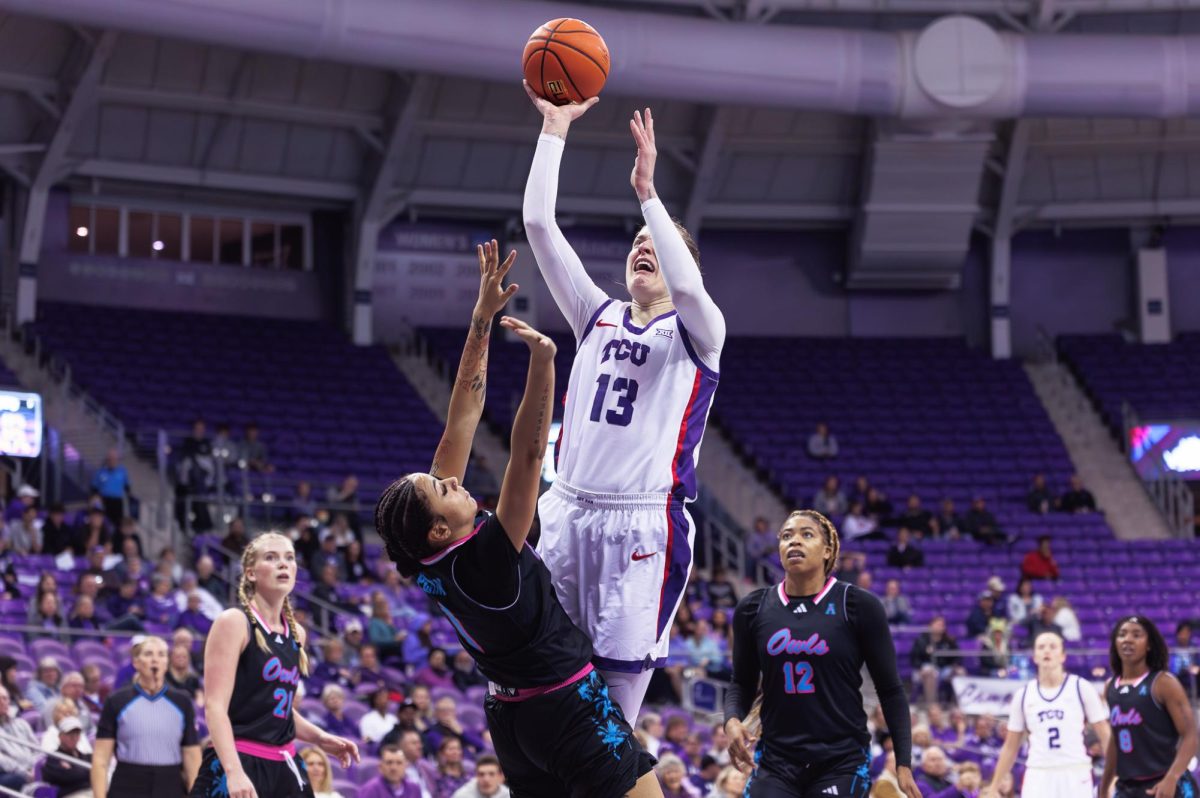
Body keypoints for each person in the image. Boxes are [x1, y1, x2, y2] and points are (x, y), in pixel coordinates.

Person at [374, 242, 659, 797]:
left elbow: (462, 415)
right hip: (565, 709)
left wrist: (481, 318)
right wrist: (544, 362)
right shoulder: (486, 562)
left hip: (511, 720)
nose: (452, 479)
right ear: (438, 527)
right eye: (441, 487)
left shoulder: (429, 553)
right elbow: (528, 458)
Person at [523, 85, 725, 723]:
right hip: (567, 512)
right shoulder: (596, 316)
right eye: (636, 239)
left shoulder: (700, 334)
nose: (644, 244)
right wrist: (554, 129)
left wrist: (649, 195)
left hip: (643, 524)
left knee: (610, 720)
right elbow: (538, 226)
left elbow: (688, 284)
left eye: (657, 243)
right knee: (541, 689)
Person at [724, 510, 920, 798]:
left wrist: (903, 762)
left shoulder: (857, 605)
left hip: (841, 761)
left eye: (807, 535)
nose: (794, 542)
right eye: (787, 536)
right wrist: (731, 721)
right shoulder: (753, 608)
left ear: (828, 551)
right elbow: (741, 682)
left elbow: (890, 689)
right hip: (777, 760)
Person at [189, 533, 360, 798]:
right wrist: (233, 771)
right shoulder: (234, 622)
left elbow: (278, 710)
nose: (283, 564)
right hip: (239, 758)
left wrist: (319, 738)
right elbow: (214, 707)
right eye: (271, 557)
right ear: (250, 573)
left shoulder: (297, 634)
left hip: (285, 763)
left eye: (289, 558)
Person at [983, 631, 1109, 798]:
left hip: (1074, 770)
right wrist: (994, 786)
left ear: (1063, 656)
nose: (1047, 651)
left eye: (1053, 646)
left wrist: (1116, 773)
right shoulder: (1024, 695)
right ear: (1035, 657)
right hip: (1038, 772)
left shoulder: (1081, 687)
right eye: (1041, 647)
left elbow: (1105, 734)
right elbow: (1010, 746)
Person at [1100, 616, 1199, 798]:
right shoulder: (1110, 687)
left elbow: (1190, 735)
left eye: (1136, 635)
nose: (1128, 639)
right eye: (1122, 635)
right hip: (1127, 787)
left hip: (1167, 782)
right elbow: (1116, 741)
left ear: (1149, 645)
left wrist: (1172, 778)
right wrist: (1104, 786)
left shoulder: (1163, 683)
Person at [91, 636, 200, 798]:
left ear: (167, 663)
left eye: (161, 654)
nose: (155, 659)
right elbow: (100, 759)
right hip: (127, 783)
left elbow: (192, 756)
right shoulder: (116, 701)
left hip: (170, 783)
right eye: (148, 654)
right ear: (136, 662)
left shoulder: (182, 701)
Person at [44, 716, 93, 798]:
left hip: (90, 792)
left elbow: (98, 774)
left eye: (77, 733)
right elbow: (63, 777)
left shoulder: (87, 756)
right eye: (69, 733)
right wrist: (86, 772)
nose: (73, 737)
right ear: (60, 736)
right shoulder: (54, 758)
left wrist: (73, 770)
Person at [0, 684, 37, 789]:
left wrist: (35, 768)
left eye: (5, 698)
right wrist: (24, 772)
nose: (2, 702)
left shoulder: (21, 723)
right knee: (17, 779)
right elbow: (2, 762)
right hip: (7, 773)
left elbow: (37, 749)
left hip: (30, 769)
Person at [92, 448, 131, 527]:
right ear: (107, 459)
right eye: (110, 458)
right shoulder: (100, 472)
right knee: (103, 524)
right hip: (104, 501)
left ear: (117, 460)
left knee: (118, 524)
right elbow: (94, 488)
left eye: (114, 459)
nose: (112, 461)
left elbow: (127, 487)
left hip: (117, 502)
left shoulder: (122, 471)